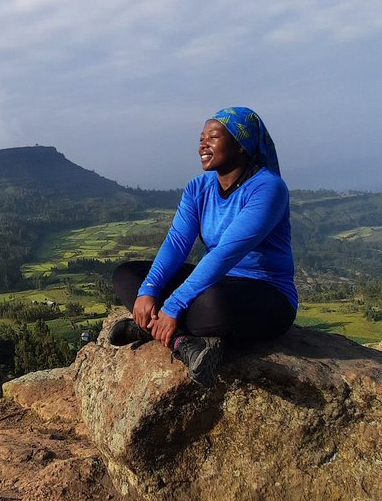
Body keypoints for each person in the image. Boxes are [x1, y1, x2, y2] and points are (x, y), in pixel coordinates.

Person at [110, 107, 298, 385]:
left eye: (213, 137)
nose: (203, 144)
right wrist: (149, 291)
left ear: (241, 146)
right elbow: (177, 242)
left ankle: (150, 328)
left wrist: (173, 306)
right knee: (127, 275)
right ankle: (182, 342)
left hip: (266, 294)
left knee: (211, 304)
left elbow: (226, 253)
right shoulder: (199, 188)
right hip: (217, 280)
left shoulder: (268, 188)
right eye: (201, 138)